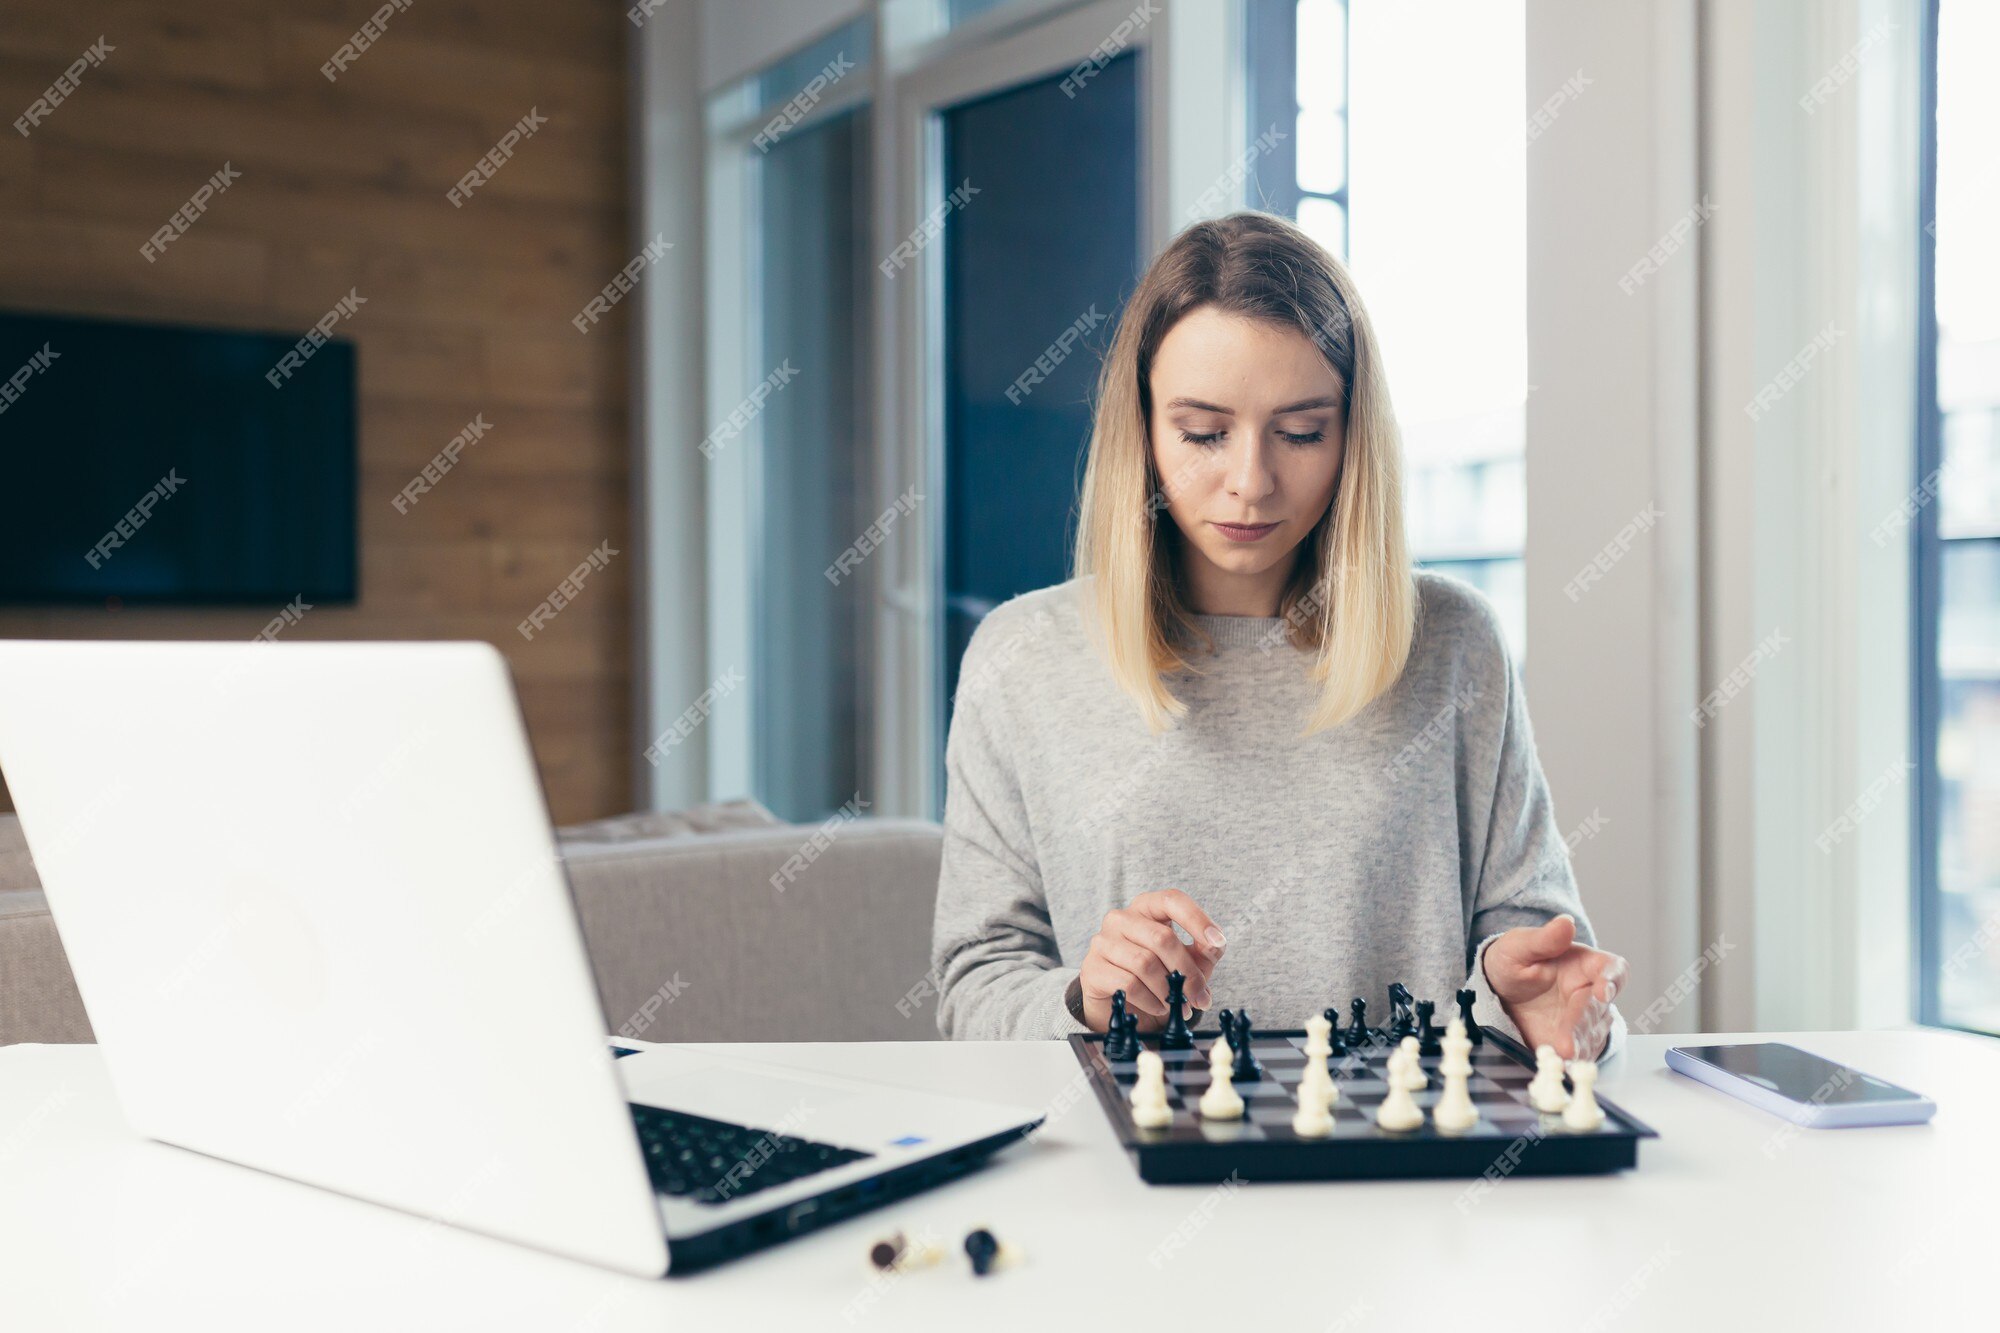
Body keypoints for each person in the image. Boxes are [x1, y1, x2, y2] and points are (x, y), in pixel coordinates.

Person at [929, 212, 1624, 1060]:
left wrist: (1540, 1006)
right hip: (1119, 1174)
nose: (1251, 482)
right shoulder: (1021, 658)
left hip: (1403, 1167)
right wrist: (1085, 996)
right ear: (1142, 431)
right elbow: (975, 987)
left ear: (1352, 435)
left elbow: (1538, 949)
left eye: (1301, 432)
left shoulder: (1452, 642)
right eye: (1203, 433)